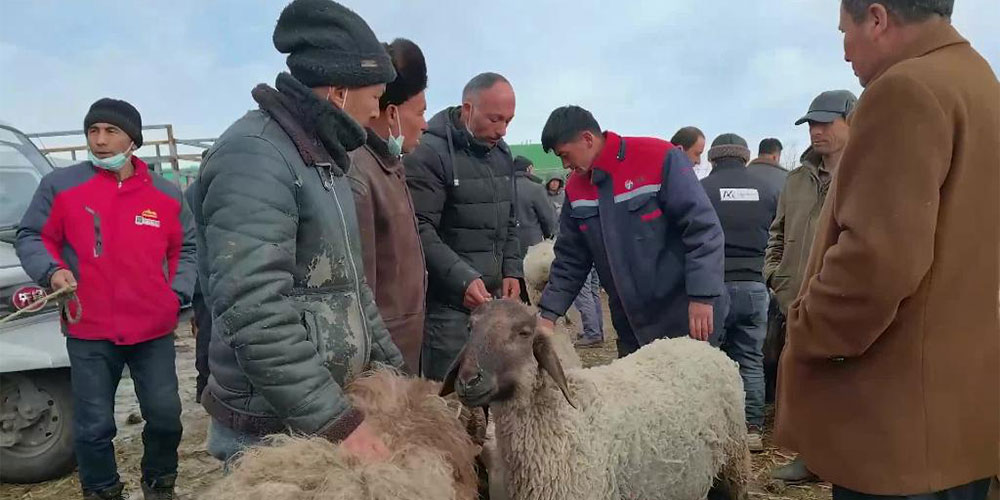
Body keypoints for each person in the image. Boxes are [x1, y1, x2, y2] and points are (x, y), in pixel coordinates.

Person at [775, 1, 1000, 499]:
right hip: (961, 420)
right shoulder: (981, 83)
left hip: (895, 428)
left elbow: (877, 262)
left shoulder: (904, 90)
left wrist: (807, 329)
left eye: (844, 31)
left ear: (876, 18)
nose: (844, 51)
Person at [189, 0, 404, 464]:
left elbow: (351, 287)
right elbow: (253, 305)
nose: (377, 111)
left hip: (316, 413)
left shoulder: (324, 161)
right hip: (271, 431)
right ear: (340, 91)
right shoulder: (256, 156)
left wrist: (397, 375)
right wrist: (333, 420)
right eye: (375, 95)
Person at [15, 98, 197, 500]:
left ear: (133, 140)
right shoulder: (61, 186)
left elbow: (186, 249)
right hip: (89, 328)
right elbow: (33, 235)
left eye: (111, 131)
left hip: (152, 327)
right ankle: (101, 490)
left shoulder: (166, 196)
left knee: (166, 418)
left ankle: (160, 484)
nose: (99, 141)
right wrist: (51, 270)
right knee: (94, 425)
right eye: (92, 131)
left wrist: (176, 295)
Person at [537, 106, 726, 358]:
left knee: (689, 391)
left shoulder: (659, 158)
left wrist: (703, 295)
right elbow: (571, 258)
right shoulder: (576, 189)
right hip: (631, 323)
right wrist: (548, 315)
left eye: (565, 154)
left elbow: (703, 229)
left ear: (587, 139)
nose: (565, 164)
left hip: (685, 313)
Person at [764, 88, 857, 484]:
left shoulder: (868, 173)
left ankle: (851, 462)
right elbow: (777, 233)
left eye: (825, 122)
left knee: (851, 383)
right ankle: (813, 458)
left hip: (845, 304)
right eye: (812, 124)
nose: (816, 131)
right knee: (806, 381)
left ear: (851, 121)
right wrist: (776, 276)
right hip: (795, 303)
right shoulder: (796, 180)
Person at [404, 72, 523, 380]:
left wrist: (512, 268)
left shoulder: (502, 153)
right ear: (468, 109)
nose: (502, 130)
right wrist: (462, 279)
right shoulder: (429, 153)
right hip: (449, 309)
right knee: (449, 397)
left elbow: (510, 218)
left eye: (508, 121)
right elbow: (419, 227)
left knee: (490, 391)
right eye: (495, 119)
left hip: (492, 303)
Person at [347, 38, 429, 374]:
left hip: (403, 349)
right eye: (421, 112)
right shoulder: (358, 174)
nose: (425, 123)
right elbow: (358, 292)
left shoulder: (391, 166)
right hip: (381, 364)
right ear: (392, 112)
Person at [700, 133, 780, 454]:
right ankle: (752, 430)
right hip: (755, 285)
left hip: (712, 288)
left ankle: (712, 426)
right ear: (745, 157)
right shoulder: (768, 190)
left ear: (713, 158)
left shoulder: (701, 190)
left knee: (710, 359)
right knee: (751, 358)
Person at [513, 155, 557, 253]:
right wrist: (549, 237)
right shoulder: (536, 189)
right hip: (532, 245)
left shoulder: (503, 187)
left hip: (507, 245)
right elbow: (548, 219)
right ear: (528, 168)